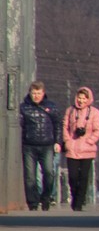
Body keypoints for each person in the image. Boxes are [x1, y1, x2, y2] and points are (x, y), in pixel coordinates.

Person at [18, 81, 62, 211]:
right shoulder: (23, 108)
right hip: (29, 146)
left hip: (47, 145)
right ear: (30, 93)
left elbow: (58, 124)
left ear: (43, 93)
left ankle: (46, 198)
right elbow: (20, 125)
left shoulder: (51, 107)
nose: (36, 96)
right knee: (30, 176)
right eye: (34, 93)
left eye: (38, 93)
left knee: (49, 173)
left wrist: (58, 142)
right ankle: (32, 203)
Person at [62, 86, 99, 212]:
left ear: (88, 99)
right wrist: (67, 141)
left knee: (83, 177)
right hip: (72, 149)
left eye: (84, 98)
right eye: (79, 98)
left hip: (87, 150)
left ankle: (79, 203)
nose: (81, 101)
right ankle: (75, 197)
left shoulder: (94, 112)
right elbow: (65, 127)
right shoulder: (70, 111)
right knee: (73, 177)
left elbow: (98, 130)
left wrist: (89, 141)